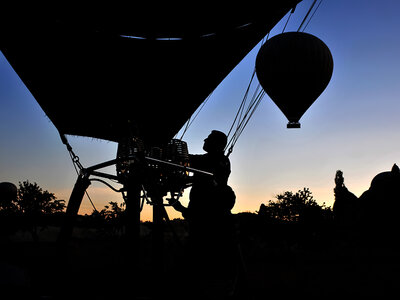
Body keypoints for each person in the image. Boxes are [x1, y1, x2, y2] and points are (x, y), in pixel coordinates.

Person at [172, 130, 237, 298]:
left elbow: (188, 159)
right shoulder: (218, 162)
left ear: (216, 144)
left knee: (201, 262)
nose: (204, 139)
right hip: (206, 220)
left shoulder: (212, 161)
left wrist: (169, 153)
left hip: (205, 223)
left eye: (208, 138)